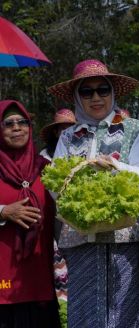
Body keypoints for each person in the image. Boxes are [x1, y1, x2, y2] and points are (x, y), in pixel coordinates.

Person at [47, 59, 139, 328]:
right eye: (88, 92)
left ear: (113, 93)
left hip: (126, 239)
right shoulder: (68, 137)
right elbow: (56, 183)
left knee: (128, 311)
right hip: (81, 238)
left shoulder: (135, 129)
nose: (96, 98)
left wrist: (115, 168)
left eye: (102, 90)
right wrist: (80, 200)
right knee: (86, 314)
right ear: (78, 98)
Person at [0, 100, 66, 328]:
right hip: (3, 273)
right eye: (8, 123)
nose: (17, 128)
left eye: (22, 122)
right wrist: (4, 211)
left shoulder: (46, 167)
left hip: (37, 271)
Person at [39, 108, 77, 301]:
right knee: (58, 256)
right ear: (55, 132)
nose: (66, 131)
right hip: (54, 214)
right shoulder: (45, 157)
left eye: (70, 127)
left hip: (76, 214)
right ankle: (62, 298)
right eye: (63, 128)